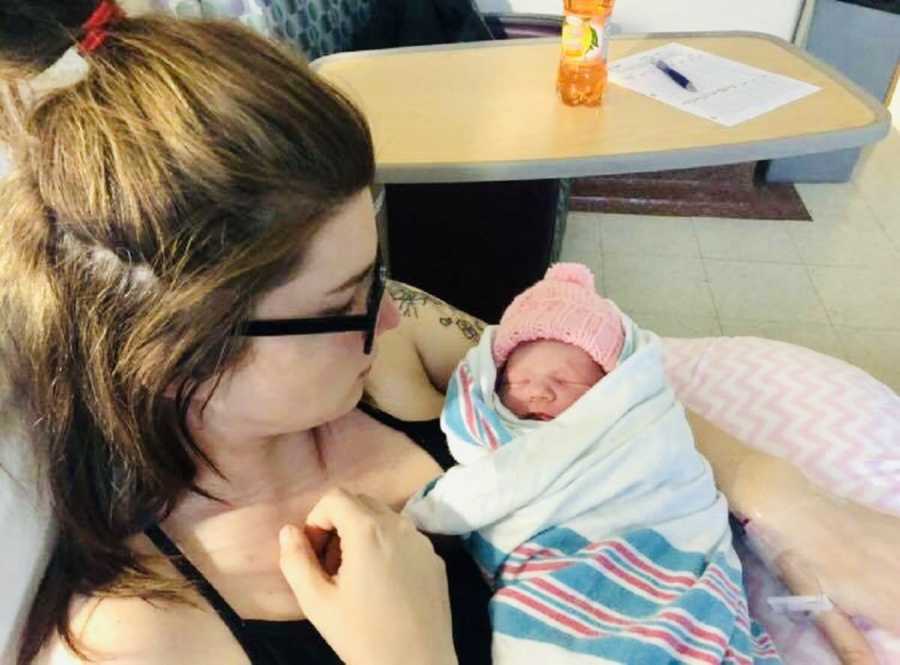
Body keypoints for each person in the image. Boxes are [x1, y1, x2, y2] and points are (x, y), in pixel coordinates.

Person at [0, 3, 896, 665]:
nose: (395, 313)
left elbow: (608, 400)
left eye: (378, 271)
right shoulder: (144, 634)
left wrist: (791, 501)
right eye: (353, 296)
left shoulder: (390, 358)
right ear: (178, 356)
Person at [404, 263, 783, 663]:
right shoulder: (503, 437)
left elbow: (482, 492)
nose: (538, 395)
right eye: (518, 381)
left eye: (564, 381)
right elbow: (497, 478)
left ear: (612, 388)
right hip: (556, 569)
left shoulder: (634, 425)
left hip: (659, 544)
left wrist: (427, 509)